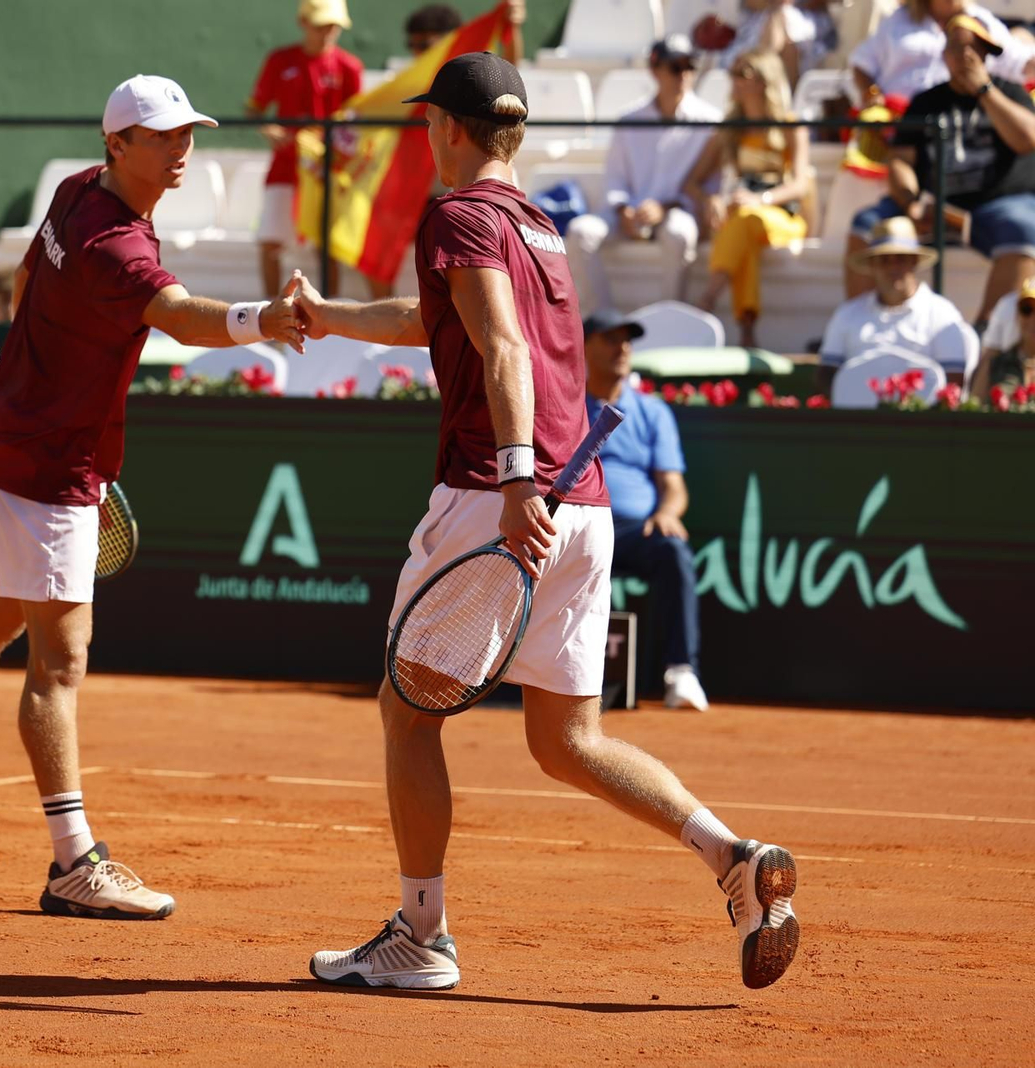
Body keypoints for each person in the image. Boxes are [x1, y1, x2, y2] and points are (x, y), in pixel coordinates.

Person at [292, 52, 798, 991]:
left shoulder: (454, 212)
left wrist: (517, 478)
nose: (427, 136)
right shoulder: (539, 226)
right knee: (568, 741)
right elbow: (438, 319)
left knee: (406, 716)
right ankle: (734, 858)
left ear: (448, 127)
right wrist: (328, 316)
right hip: (586, 502)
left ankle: (420, 936)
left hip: (501, 494)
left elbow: (504, 345)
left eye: (429, 123)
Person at [0, 74, 304, 921]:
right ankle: (76, 861)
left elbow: (29, 285)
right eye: (163, 137)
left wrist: (32, 376)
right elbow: (180, 317)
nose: (182, 149)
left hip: (9, 433)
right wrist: (267, 320)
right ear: (119, 144)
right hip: (48, 464)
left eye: (187, 134)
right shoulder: (119, 248)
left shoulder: (75, 192)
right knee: (58, 665)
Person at [845, 15, 1035, 326]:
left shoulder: (1010, 93)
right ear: (944, 55)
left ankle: (988, 339)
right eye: (958, 49)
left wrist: (983, 90)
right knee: (865, 226)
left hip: (996, 205)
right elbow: (900, 161)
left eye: (974, 49)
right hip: (933, 203)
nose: (966, 57)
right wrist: (911, 202)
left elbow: (1028, 140)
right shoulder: (926, 102)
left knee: (1026, 230)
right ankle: (859, 328)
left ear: (988, 54)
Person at [582, 311, 709, 711]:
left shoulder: (653, 412)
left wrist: (668, 513)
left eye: (627, 340)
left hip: (635, 530)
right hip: (576, 525)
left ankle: (681, 673)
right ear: (582, 346)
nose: (622, 348)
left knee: (673, 550)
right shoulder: (563, 406)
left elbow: (673, 487)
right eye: (609, 339)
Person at [566, 35, 722, 314]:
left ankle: (668, 320)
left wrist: (664, 208)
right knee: (580, 233)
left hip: (676, 212)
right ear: (655, 70)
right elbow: (615, 177)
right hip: (630, 212)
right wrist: (624, 210)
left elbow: (709, 185)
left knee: (679, 233)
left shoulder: (711, 122)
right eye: (676, 67)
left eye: (690, 67)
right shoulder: (629, 119)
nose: (684, 74)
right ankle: (605, 322)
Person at [686, 51, 812, 349]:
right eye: (733, 74)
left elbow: (800, 185)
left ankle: (707, 299)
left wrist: (761, 199)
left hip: (783, 216)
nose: (734, 81)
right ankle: (746, 328)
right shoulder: (730, 130)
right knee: (744, 232)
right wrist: (710, 199)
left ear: (763, 82)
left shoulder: (790, 125)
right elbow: (692, 183)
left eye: (742, 74)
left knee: (745, 219)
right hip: (745, 218)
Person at [246, 0, 364, 295]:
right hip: (285, 166)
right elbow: (254, 110)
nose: (328, 32)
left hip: (327, 170)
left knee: (328, 247)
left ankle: (330, 320)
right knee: (271, 241)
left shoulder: (349, 67)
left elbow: (356, 122)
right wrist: (271, 130)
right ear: (303, 23)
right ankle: (271, 316)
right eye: (321, 24)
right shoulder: (280, 60)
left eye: (333, 26)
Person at [820, 216, 979, 388]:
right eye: (884, 259)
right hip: (858, 416)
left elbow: (953, 384)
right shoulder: (847, 313)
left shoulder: (942, 314)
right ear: (872, 265)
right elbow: (827, 379)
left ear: (914, 262)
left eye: (901, 258)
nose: (892, 267)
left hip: (923, 416)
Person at [848, 0, 1030, 104]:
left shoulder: (983, 22)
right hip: (901, 123)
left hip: (957, 124)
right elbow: (861, 63)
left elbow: (1019, 62)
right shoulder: (898, 20)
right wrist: (872, 95)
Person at [405, 3, 526, 66]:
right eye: (412, 45)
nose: (416, 52)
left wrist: (512, 26)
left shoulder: (471, 74)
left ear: (449, 43)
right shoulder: (408, 82)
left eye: (424, 45)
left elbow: (508, 69)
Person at [980, 276, 1035, 396]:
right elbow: (974, 404)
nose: (1033, 318)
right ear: (1017, 315)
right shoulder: (997, 364)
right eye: (1026, 309)